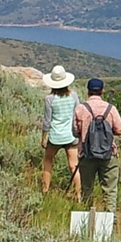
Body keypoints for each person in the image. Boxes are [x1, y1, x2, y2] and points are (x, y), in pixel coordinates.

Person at [72, 77, 121, 212]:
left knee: (87, 188)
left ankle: (86, 219)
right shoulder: (110, 108)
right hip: (108, 154)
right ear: (102, 91)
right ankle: (109, 221)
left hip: (87, 154)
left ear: (88, 91)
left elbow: (75, 132)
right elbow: (119, 130)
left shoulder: (81, 108)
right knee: (110, 191)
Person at [39, 65, 80, 195]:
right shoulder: (73, 96)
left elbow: (47, 121)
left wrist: (43, 138)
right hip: (71, 136)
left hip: (55, 137)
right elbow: (77, 114)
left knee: (48, 161)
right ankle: (78, 194)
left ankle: (45, 190)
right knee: (73, 165)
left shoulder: (49, 99)